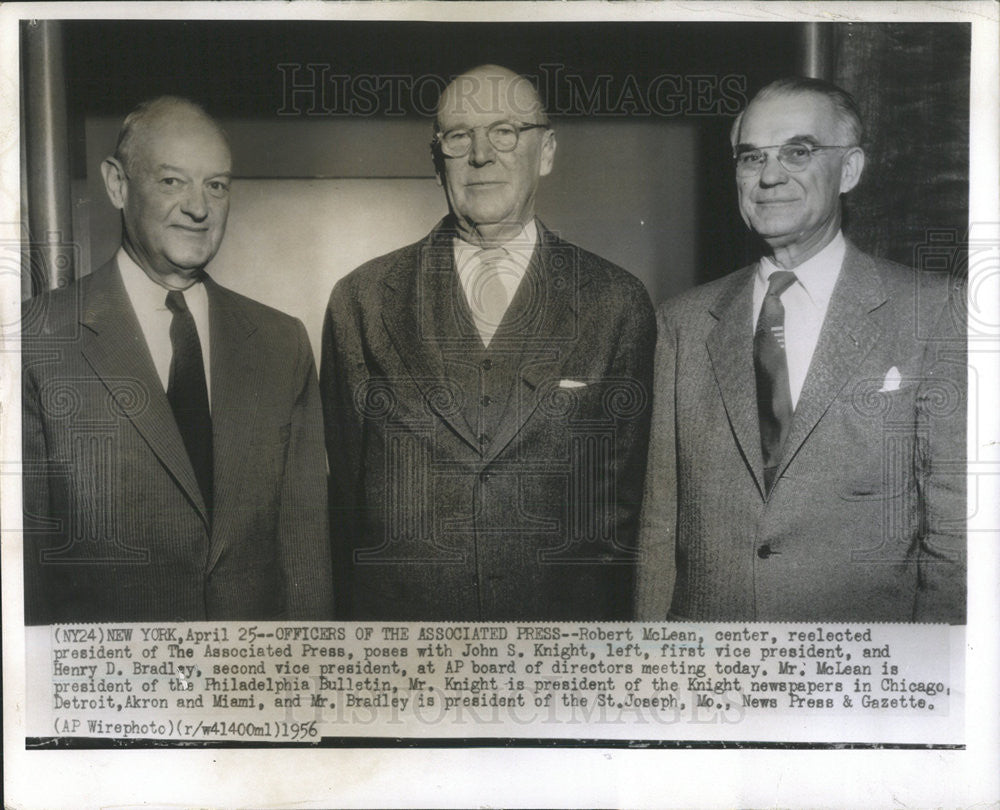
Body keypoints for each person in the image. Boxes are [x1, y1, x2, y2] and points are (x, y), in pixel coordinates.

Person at [321, 65, 655, 620]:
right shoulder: (364, 300)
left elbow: (625, 505)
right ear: (437, 161)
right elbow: (349, 500)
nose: (481, 154)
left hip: (558, 649)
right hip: (406, 648)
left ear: (545, 152)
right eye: (459, 136)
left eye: (505, 131)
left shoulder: (615, 301)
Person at [637, 77, 966, 622]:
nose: (769, 176)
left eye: (798, 151)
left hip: (862, 676)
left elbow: (955, 537)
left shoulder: (932, 314)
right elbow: (658, 527)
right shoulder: (681, 323)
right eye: (751, 158)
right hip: (713, 675)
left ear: (851, 169)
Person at [22, 96, 333, 623]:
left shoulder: (283, 345)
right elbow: (25, 578)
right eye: (172, 181)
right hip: (117, 694)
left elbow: (305, 564)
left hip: (252, 691)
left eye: (216, 184)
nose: (199, 207)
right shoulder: (38, 340)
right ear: (118, 185)